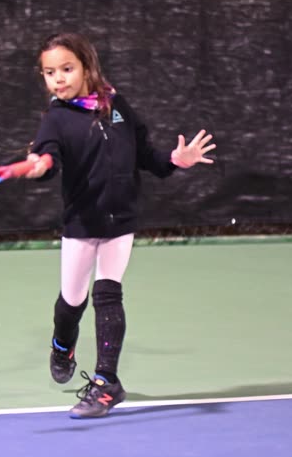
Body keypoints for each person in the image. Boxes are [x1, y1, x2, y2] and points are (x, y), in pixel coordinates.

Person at [22, 32, 215, 418]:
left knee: (108, 294)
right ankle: (63, 344)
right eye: (49, 72)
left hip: (120, 220)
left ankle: (107, 382)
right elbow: (49, 155)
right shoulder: (56, 118)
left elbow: (148, 157)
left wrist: (177, 159)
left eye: (66, 68)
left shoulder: (118, 107)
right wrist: (42, 164)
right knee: (71, 304)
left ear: (87, 66)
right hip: (81, 221)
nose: (57, 78)